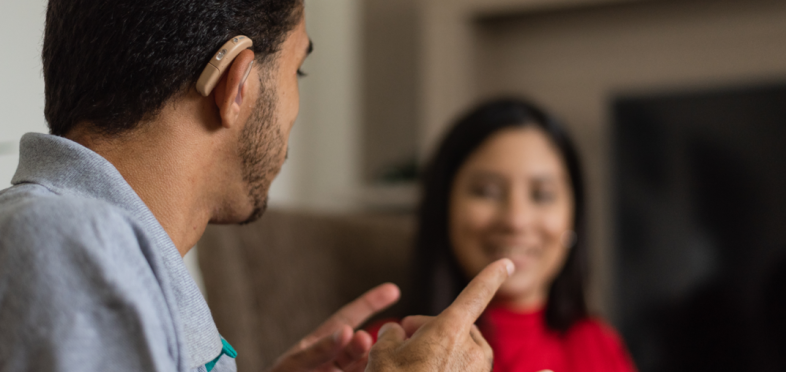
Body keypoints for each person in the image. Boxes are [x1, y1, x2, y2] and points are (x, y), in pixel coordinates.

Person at [0, 1, 514, 371]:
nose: (295, 110)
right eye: (299, 70)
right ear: (236, 82)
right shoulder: (70, 241)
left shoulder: (93, 245)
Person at [371, 99, 636, 372]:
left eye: (542, 195)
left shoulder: (600, 345)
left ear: (573, 216)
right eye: (486, 191)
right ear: (443, 207)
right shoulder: (382, 352)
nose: (516, 220)